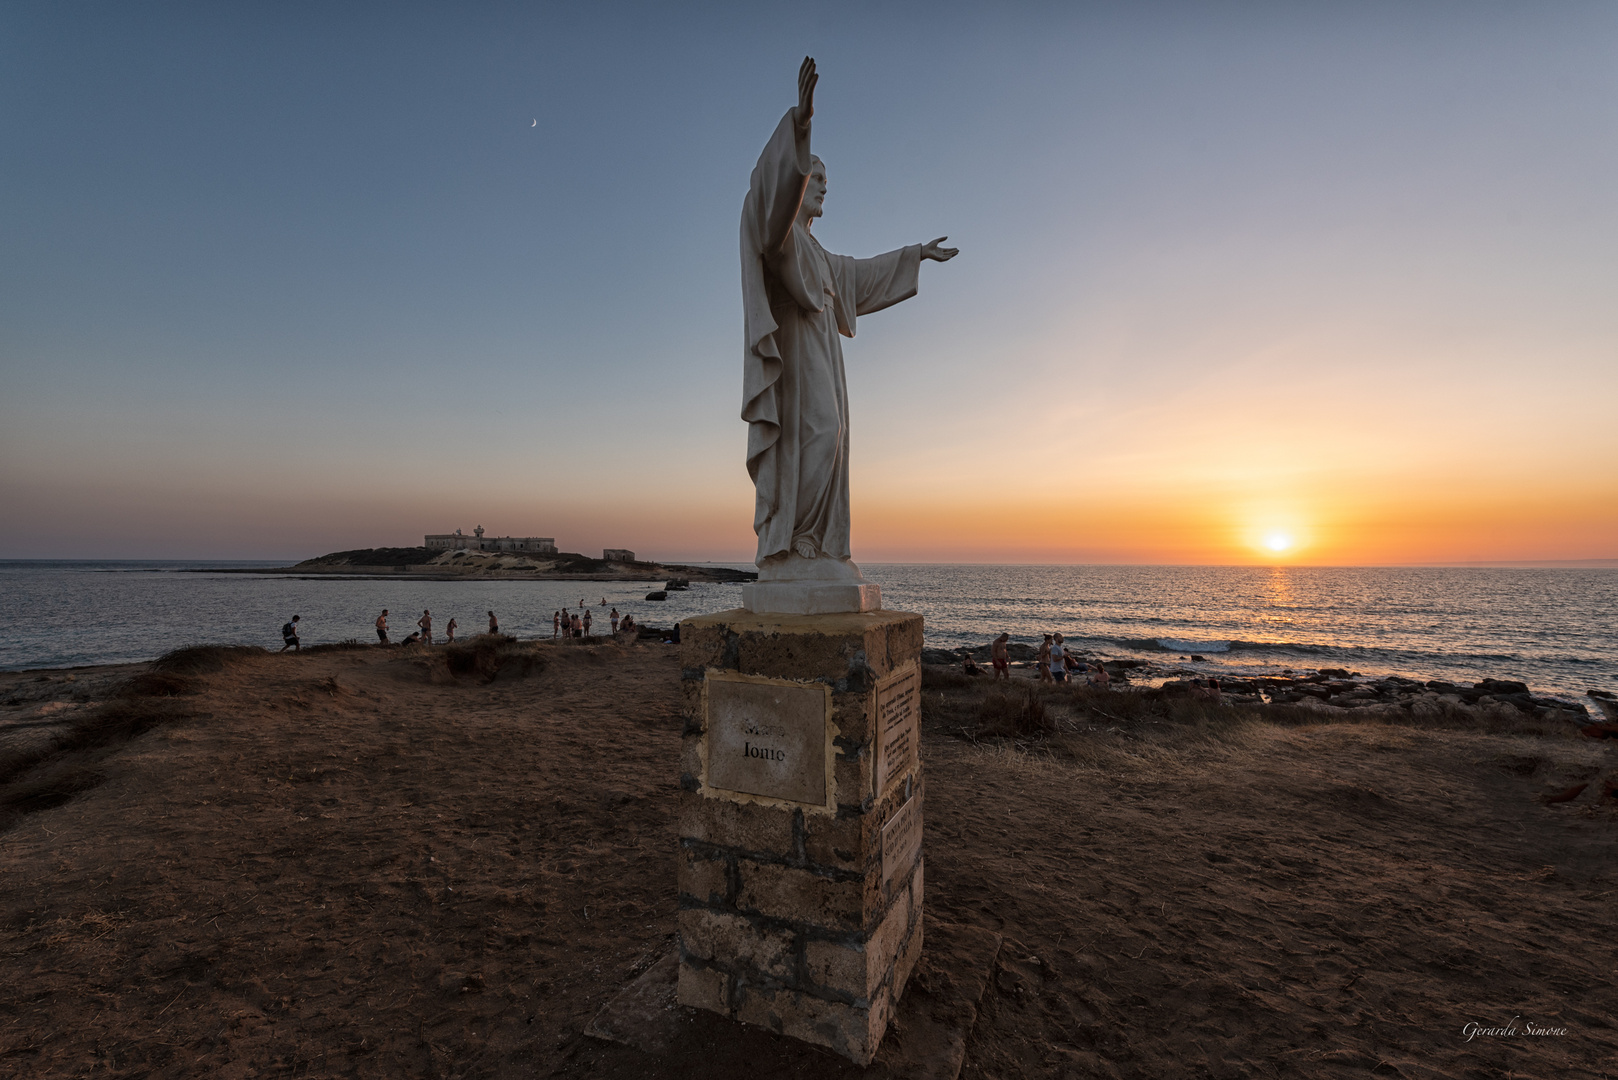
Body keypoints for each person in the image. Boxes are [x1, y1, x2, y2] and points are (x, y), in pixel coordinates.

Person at [740, 57, 958, 575]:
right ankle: (792, 540)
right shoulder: (781, 238)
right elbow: (768, 198)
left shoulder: (820, 256)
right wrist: (801, 124)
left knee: (835, 437)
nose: (822, 186)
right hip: (796, 359)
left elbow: (861, 276)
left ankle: (815, 540)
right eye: (814, 177)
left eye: (823, 180)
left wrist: (914, 255)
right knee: (817, 433)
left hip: (825, 360)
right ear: (796, 185)